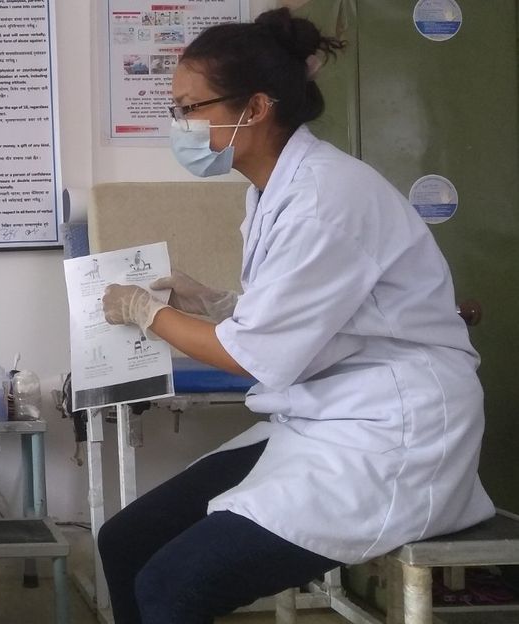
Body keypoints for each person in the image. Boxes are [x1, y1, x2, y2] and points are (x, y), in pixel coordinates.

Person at [98, 9, 494, 623]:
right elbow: (316, 311)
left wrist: (145, 312)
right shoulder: (275, 188)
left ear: (254, 108)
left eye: (190, 108)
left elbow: (248, 356)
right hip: (322, 416)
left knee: (174, 586)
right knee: (124, 543)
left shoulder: (322, 199)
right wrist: (219, 303)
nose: (181, 126)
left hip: (388, 435)